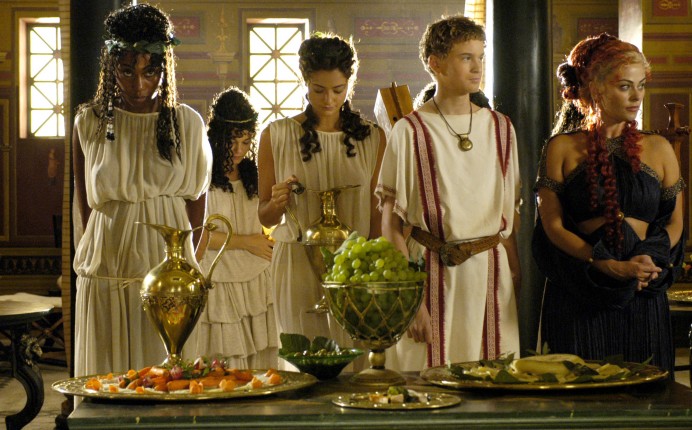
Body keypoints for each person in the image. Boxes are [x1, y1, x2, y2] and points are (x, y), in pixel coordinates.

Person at [72, 3, 211, 377]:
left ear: (165, 68)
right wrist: (92, 250)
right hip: (107, 255)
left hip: (166, 258)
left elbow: (197, 202)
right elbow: (84, 203)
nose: (139, 84)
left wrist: (185, 264)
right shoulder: (90, 121)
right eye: (126, 71)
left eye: (150, 72)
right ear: (110, 65)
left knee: (166, 372)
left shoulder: (187, 123)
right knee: (107, 369)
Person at [532, 33, 685, 374]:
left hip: (642, 289)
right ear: (596, 89)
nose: (637, 97)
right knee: (580, 390)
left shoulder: (659, 148)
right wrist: (602, 262)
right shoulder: (561, 148)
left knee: (646, 390)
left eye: (641, 86)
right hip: (581, 289)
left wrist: (649, 259)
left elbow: (674, 221)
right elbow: (551, 225)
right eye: (625, 86)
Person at [376, 15, 522, 371]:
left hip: (489, 276)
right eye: (466, 57)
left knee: (494, 382)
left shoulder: (501, 128)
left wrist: (512, 272)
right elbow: (391, 225)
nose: (477, 67)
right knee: (425, 385)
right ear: (436, 64)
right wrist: (410, 299)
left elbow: (510, 216)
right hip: (429, 275)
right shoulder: (409, 131)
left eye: (480, 56)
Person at [258, 33, 386, 344]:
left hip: (354, 266)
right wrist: (276, 202)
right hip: (297, 266)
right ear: (304, 82)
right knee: (305, 355)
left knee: (356, 357)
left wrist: (371, 268)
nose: (329, 100)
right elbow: (266, 217)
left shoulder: (373, 138)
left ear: (349, 84)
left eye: (337, 90)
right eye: (319, 90)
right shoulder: (276, 135)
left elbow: (377, 216)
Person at [192, 87, 278, 368]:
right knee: (223, 364)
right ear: (217, 136)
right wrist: (247, 242)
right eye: (232, 141)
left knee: (261, 364)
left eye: (246, 141)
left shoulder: (254, 174)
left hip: (256, 279)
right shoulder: (201, 174)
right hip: (218, 277)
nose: (239, 150)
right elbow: (197, 235)